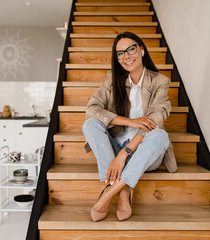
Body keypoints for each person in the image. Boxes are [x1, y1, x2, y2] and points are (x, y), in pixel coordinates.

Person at [82, 32, 178, 222]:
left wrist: (123, 154)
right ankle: (124, 192)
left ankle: (109, 193)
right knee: (90, 124)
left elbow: (155, 120)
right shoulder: (113, 79)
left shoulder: (160, 82)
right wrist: (129, 121)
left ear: (141, 50)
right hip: (115, 146)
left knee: (160, 135)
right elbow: (92, 109)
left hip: (144, 151)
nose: (126, 56)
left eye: (131, 49)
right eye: (120, 53)